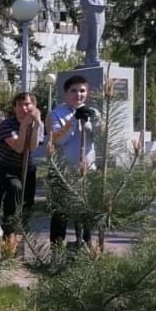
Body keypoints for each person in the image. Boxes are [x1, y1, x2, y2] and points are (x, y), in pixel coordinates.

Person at [47, 75, 96, 247]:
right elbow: (58, 140)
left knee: (85, 215)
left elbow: (102, 139)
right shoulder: (55, 115)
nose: (78, 94)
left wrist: (91, 125)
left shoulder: (92, 113)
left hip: (86, 170)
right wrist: (73, 121)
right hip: (63, 172)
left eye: (82, 90)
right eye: (73, 91)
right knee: (61, 215)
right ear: (65, 93)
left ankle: (85, 248)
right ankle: (57, 253)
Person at [0, 92, 44, 238]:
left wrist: (36, 126)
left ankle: (23, 235)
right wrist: (23, 126)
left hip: (27, 168)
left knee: (27, 203)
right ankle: (8, 234)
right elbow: (19, 148)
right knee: (15, 190)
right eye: (20, 105)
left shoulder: (37, 123)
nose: (24, 108)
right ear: (14, 108)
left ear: (34, 107)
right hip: (6, 168)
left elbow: (33, 147)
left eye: (27, 104)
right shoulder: (6, 125)